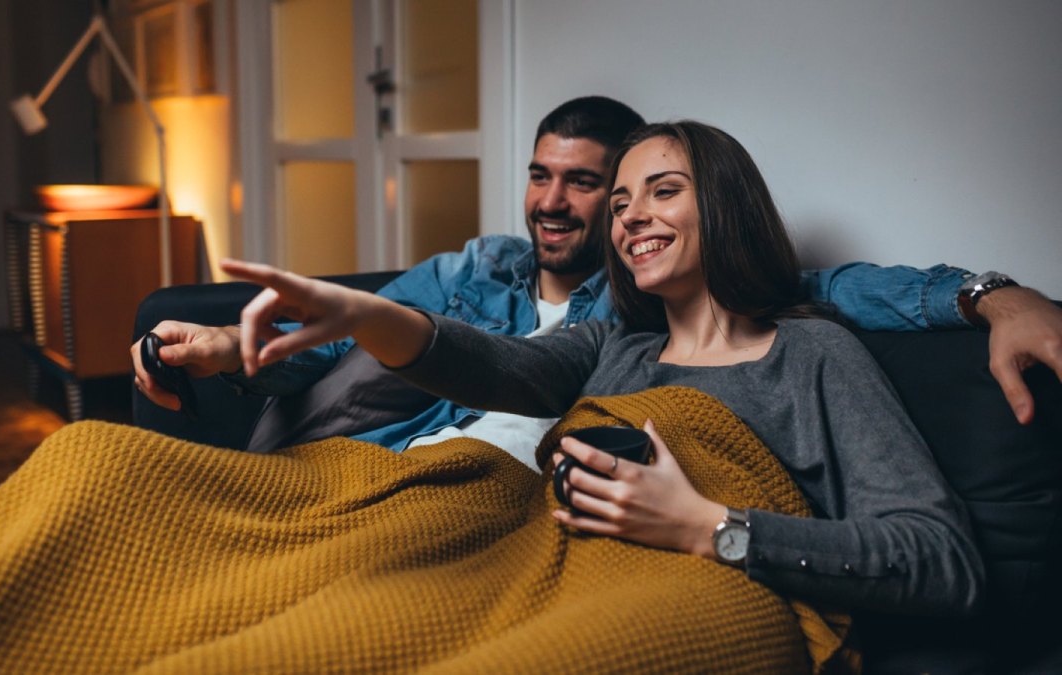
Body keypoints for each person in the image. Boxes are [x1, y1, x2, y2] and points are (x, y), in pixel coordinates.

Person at [217, 120, 984, 614]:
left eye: (663, 191)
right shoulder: (614, 346)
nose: (630, 217)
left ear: (724, 208)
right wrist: (362, 313)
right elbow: (493, 365)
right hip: (534, 569)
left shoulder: (813, 355)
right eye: (620, 202)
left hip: (692, 606)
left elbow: (943, 560)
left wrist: (714, 529)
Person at [133, 97, 1062, 462]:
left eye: (589, 183)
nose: (556, 202)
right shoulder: (472, 271)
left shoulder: (632, 317)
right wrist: (226, 349)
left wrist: (992, 294)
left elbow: (827, 286)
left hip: (473, 496)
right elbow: (345, 340)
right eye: (542, 175)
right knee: (97, 469)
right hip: (358, 469)